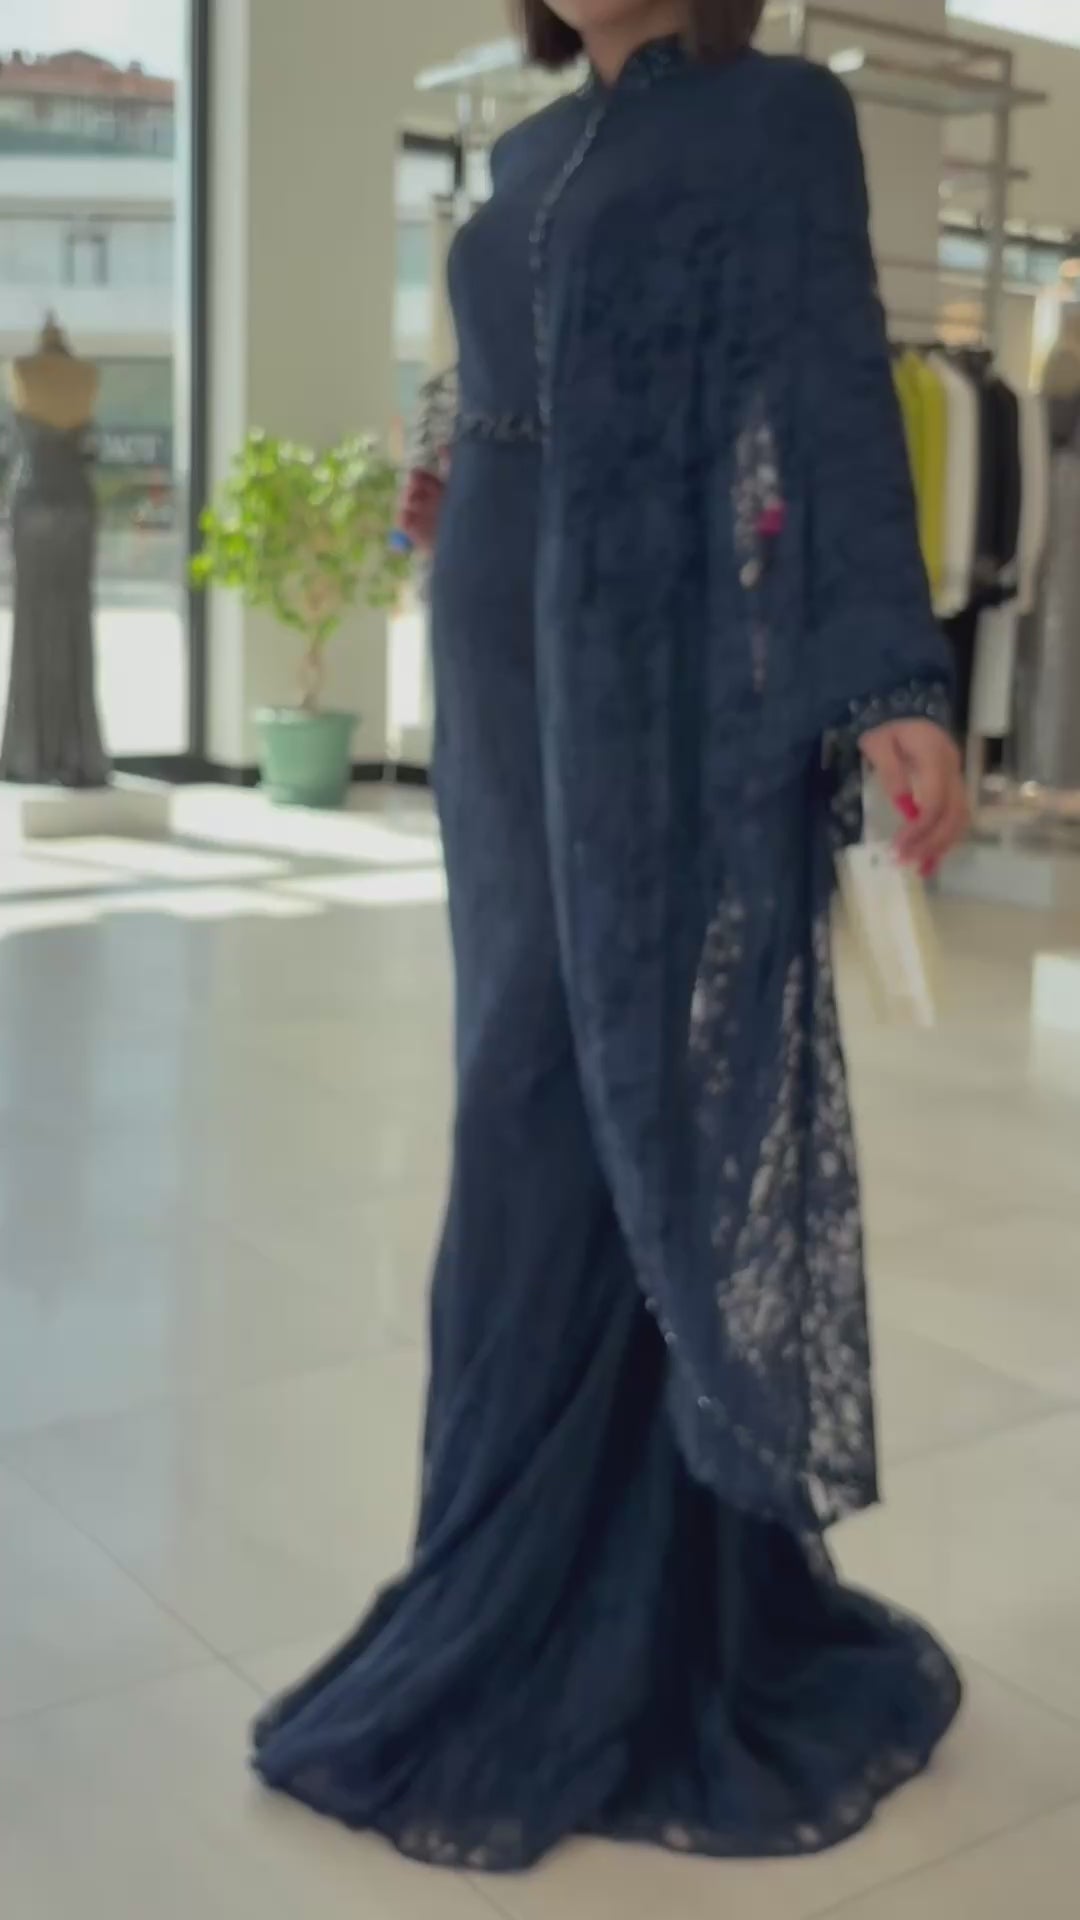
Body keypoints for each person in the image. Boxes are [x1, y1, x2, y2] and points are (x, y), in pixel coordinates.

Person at [253, 0, 967, 1871]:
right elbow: (506, 374)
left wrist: (893, 679)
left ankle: (637, 1605)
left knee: (619, 1075)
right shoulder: (524, 152)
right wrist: (444, 475)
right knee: (517, 1070)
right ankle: (505, 1576)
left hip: (656, 658)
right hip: (500, 648)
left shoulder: (776, 117)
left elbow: (829, 391)